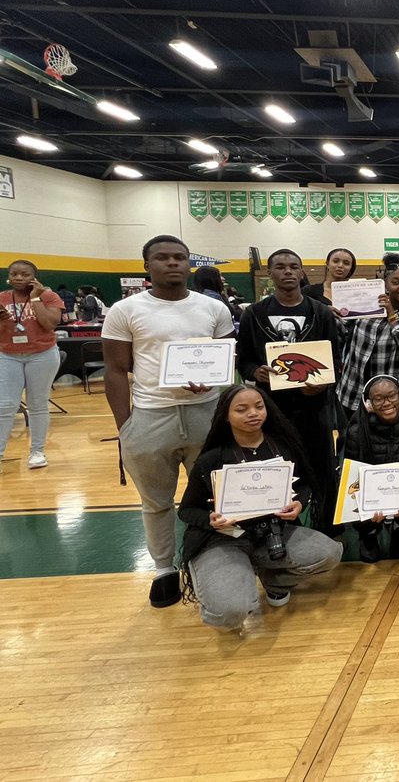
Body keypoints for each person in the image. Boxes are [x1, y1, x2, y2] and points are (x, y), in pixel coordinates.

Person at [102, 235, 235, 608]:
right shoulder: (124, 310)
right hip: (150, 415)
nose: (172, 263)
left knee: (214, 494)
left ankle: (210, 559)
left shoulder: (213, 308)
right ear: (147, 266)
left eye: (180, 257)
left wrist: (215, 382)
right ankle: (163, 569)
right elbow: (115, 369)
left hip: (207, 413)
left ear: (189, 263)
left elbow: (225, 361)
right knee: (156, 500)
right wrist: (125, 425)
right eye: (162, 258)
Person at [178, 385, 342, 631]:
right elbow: (186, 510)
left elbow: (305, 485)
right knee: (231, 612)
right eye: (241, 409)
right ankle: (223, 592)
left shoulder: (283, 447)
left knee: (329, 553)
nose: (253, 413)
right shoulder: (211, 459)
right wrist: (210, 520)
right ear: (225, 415)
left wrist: (300, 502)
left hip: (271, 534)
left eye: (259, 406)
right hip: (222, 538)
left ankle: (274, 580)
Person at [236, 249, 341, 534]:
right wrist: (254, 371)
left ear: (302, 271)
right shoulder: (254, 315)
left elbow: (335, 361)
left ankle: (327, 525)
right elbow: (242, 359)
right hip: (270, 406)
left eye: (294, 266)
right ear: (270, 273)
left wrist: (324, 383)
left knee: (321, 466)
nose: (288, 272)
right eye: (280, 267)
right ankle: (280, 525)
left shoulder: (319, 313)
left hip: (314, 405)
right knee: (278, 465)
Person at [343, 374, 399, 563]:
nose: (387, 403)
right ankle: (369, 534)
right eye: (378, 399)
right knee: (349, 504)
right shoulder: (356, 432)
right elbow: (352, 477)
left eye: (392, 396)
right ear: (368, 404)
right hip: (370, 496)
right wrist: (367, 511)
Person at [336, 259, 399, 417]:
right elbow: (342, 330)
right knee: (351, 438)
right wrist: (332, 315)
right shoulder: (366, 305)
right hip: (354, 390)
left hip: (391, 396)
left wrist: (392, 316)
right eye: (395, 282)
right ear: (386, 286)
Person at [0, 260, 65, 470]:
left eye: (25, 274)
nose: (19, 278)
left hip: (42, 354)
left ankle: (37, 452)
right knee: (5, 405)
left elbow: (48, 324)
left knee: (38, 404)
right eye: (14, 274)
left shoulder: (49, 297)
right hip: (7, 354)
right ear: (8, 276)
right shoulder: (2, 298)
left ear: (34, 277)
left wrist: (36, 297)